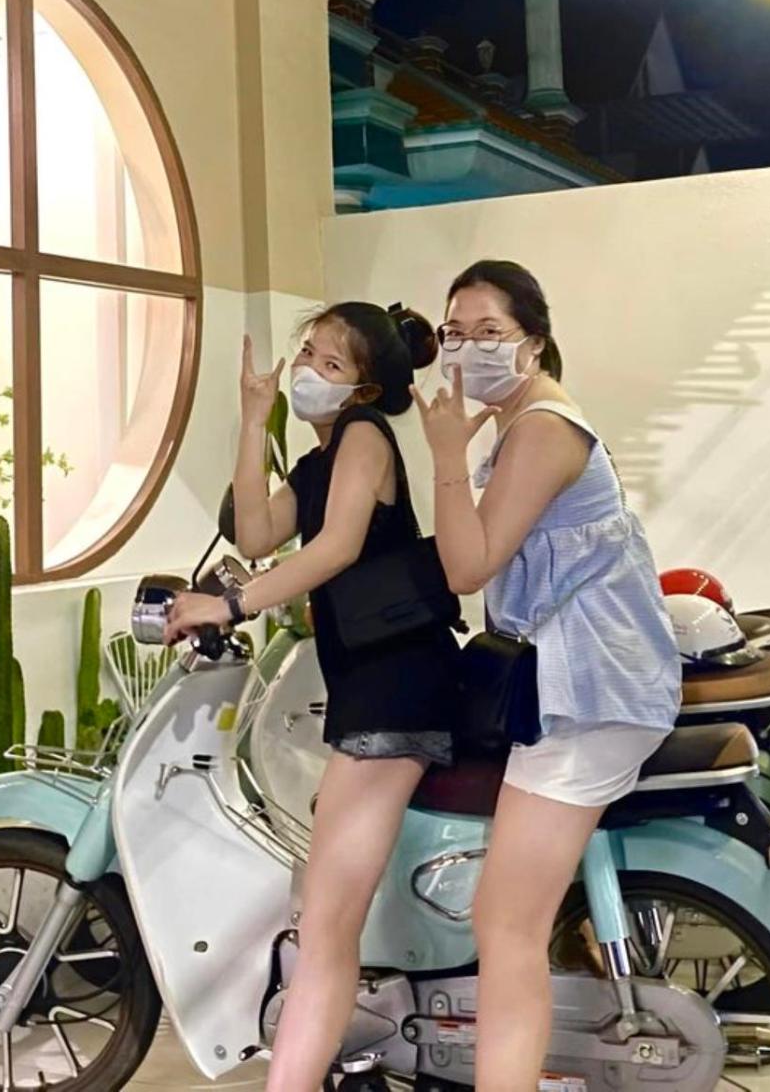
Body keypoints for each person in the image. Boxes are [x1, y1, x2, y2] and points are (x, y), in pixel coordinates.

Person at [165, 301, 461, 1092]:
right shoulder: (320, 456)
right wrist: (251, 418)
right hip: (368, 690)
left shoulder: (364, 437)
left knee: (328, 929)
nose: (307, 370)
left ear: (363, 389)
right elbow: (256, 533)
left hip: (396, 691)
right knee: (325, 917)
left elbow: (335, 547)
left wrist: (230, 605)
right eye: (309, 352)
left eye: (331, 363)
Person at [412, 259, 681, 1092]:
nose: (468, 348)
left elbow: (469, 564)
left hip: (591, 695)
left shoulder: (542, 429)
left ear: (533, 341)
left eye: (489, 332)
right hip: (576, 690)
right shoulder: (523, 422)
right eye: (454, 333)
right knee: (508, 918)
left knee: (506, 923)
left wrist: (445, 454)